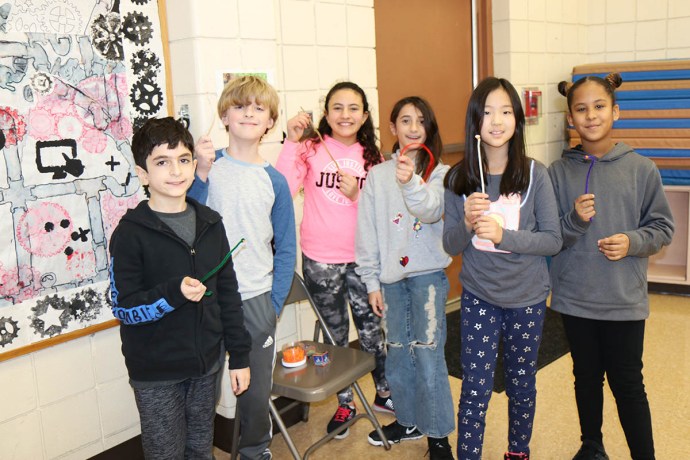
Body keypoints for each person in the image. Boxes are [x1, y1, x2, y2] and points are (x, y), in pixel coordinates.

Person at [109, 117, 251, 460]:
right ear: (143, 174)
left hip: (207, 365)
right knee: (166, 453)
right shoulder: (129, 234)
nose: (176, 171)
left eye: (183, 160)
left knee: (201, 449)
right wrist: (173, 293)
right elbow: (123, 307)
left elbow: (229, 295)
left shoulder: (211, 224)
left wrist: (239, 356)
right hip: (156, 372)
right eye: (162, 162)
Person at [549, 73, 674, 460]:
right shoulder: (558, 172)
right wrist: (574, 220)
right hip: (574, 298)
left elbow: (662, 228)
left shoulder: (641, 169)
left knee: (627, 384)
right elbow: (550, 236)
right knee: (585, 378)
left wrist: (632, 242)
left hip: (622, 300)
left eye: (599, 107)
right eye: (581, 109)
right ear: (571, 118)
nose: (590, 116)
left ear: (615, 111)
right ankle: (592, 445)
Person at [442, 77, 562, 460]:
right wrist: (464, 222)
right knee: (475, 388)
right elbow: (449, 245)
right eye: (488, 111)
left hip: (526, 299)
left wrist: (504, 236)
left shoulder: (534, 174)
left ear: (517, 120)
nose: (497, 120)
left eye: (506, 111)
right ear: (475, 121)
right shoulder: (459, 178)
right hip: (479, 297)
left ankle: (517, 452)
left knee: (521, 383)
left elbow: (552, 240)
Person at [276, 81, 392, 438]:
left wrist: (358, 195)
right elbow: (280, 185)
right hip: (320, 259)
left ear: (365, 115)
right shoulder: (312, 147)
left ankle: (385, 392)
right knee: (334, 337)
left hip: (363, 260)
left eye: (353, 108)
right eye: (337, 108)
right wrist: (292, 141)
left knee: (372, 333)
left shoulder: (374, 157)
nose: (345, 115)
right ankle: (345, 402)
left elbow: (384, 210)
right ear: (326, 114)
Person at [188, 75, 296, 460]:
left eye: (259, 108)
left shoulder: (275, 181)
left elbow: (286, 249)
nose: (249, 113)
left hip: (255, 300)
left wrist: (273, 305)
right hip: (205, 300)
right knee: (202, 388)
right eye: (239, 106)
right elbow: (186, 220)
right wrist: (199, 174)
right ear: (224, 116)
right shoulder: (205, 166)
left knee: (254, 393)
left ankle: (255, 452)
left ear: (270, 122)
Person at [355, 96, 455, 459]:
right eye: (405, 120)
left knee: (428, 355)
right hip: (390, 282)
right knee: (397, 354)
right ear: (392, 128)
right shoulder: (378, 176)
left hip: (428, 277)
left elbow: (430, 210)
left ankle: (439, 435)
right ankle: (409, 419)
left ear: (429, 129)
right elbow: (366, 233)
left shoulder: (441, 173)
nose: (413, 127)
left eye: (420, 121)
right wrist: (371, 282)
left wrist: (412, 179)